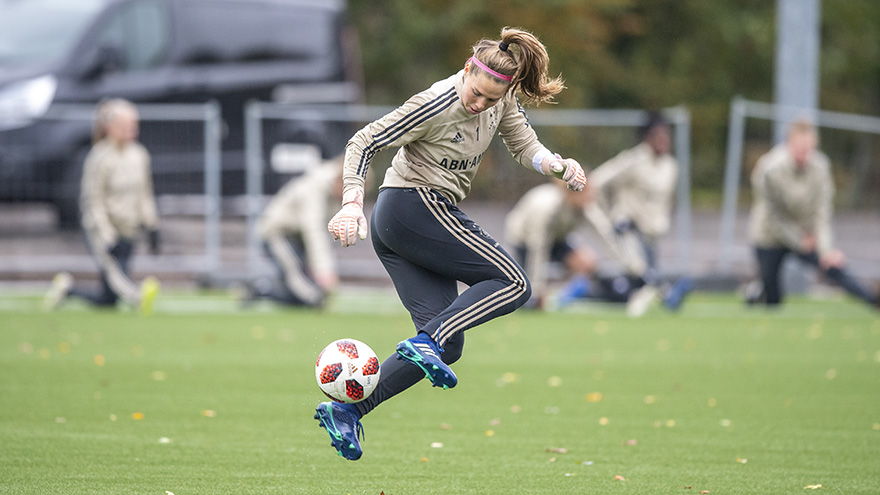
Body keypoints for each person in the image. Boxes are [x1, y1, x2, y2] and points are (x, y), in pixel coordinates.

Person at [314, 27, 587, 460]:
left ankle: (349, 412)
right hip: (410, 206)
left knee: (448, 343)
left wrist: (556, 165)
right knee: (514, 283)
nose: (479, 104)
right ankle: (426, 343)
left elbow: (524, 145)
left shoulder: (503, 99)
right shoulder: (435, 103)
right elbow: (363, 140)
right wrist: (351, 203)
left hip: (408, 225)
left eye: (490, 100)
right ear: (466, 70)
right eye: (476, 94)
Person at [747, 118, 879, 308]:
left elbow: (822, 212)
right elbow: (773, 216)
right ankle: (757, 293)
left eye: (809, 148)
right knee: (773, 300)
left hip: (807, 235)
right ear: (788, 144)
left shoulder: (821, 167)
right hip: (770, 236)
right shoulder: (769, 169)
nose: (804, 153)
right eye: (800, 147)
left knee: (833, 267)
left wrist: (826, 250)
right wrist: (799, 240)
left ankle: (872, 299)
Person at [44, 99, 160, 314]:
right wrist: (106, 236)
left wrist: (152, 225)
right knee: (117, 276)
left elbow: (144, 193)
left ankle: (67, 290)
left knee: (109, 299)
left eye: (134, 125)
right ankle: (139, 297)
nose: (132, 131)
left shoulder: (139, 154)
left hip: (128, 228)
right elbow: (93, 200)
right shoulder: (99, 157)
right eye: (126, 126)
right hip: (104, 230)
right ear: (110, 127)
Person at [582, 112, 692, 316]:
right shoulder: (633, 160)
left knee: (641, 279)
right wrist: (611, 213)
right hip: (629, 229)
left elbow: (665, 201)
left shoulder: (670, 166)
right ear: (648, 137)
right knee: (640, 274)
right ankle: (663, 297)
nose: (664, 141)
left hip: (651, 233)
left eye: (666, 135)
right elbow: (597, 181)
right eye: (658, 136)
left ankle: (586, 292)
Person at [241, 157, 342, 308]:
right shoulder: (314, 188)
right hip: (277, 233)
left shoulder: (333, 195)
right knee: (309, 295)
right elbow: (313, 230)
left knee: (300, 293)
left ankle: (262, 289)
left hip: (296, 238)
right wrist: (324, 271)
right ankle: (262, 288)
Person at [505, 179, 598, 309]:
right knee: (525, 287)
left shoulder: (583, 207)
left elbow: (604, 233)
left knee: (586, 263)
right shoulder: (548, 208)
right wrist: (538, 288)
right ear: (574, 193)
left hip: (556, 239)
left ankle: (559, 300)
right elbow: (538, 248)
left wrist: (630, 266)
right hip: (524, 239)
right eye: (587, 195)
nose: (590, 199)